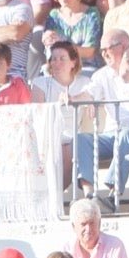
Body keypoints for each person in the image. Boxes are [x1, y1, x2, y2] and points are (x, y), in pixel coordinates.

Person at [74, 28, 129, 208]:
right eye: (101, 49)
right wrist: (71, 98)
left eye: (108, 48)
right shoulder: (101, 74)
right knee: (82, 139)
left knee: (127, 135)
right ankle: (91, 196)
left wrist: (127, 58)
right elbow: (89, 93)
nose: (104, 53)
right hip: (113, 135)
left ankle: (114, 195)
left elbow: (126, 75)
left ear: (125, 47)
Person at [32, 42, 91, 186]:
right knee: (61, 145)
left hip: (75, 136)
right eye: (54, 59)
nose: (56, 63)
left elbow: (94, 95)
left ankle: (58, 196)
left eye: (62, 58)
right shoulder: (40, 83)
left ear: (73, 62)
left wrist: (83, 100)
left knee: (69, 146)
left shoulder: (85, 82)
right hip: (49, 134)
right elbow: (37, 114)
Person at [43, 0, 103, 66]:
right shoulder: (54, 15)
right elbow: (48, 45)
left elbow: (89, 52)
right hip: (58, 67)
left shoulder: (91, 14)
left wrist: (62, 46)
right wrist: (46, 38)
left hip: (85, 67)